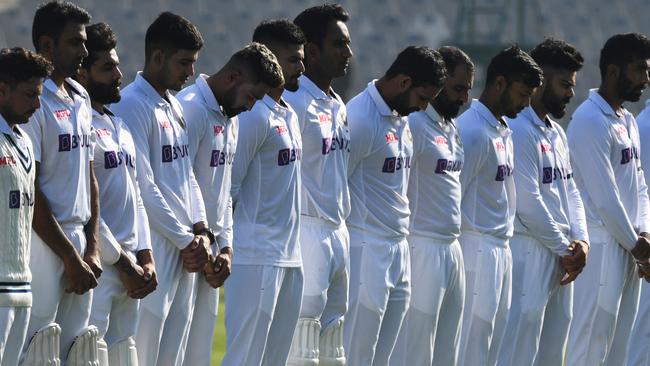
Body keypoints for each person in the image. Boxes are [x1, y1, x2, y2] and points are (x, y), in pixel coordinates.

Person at [111, 12, 211, 366]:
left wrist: (201, 230)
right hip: (157, 244)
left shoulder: (172, 104)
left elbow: (186, 177)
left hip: (184, 247)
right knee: (146, 350)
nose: (190, 73)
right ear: (157, 57)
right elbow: (144, 185)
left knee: (174, 355)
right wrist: (185, 241)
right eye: (184, 62)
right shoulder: (131, 103)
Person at [177, 42, 283, 366]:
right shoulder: (190, 108)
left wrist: (226, 248)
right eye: (251, 96)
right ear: (234, 76)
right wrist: (200, 237)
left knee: (197, 358)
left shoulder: (231, 118)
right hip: (179, 249)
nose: (251, 107)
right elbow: (178, 182)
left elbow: (224, 194)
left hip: (208, 255)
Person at [344, 45, 447, 365]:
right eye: (423, 99)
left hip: (398, 247)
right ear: (404, 83)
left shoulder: (401, 116)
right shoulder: (359, 117)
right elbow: (338, 183)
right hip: (366, 246)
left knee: (385, 357)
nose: (422, 108)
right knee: (356, 352)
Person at [20, 2, 104, 364]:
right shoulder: (31, 101)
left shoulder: (82, 96)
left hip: (79, 241)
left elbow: (89, 176)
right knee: (35, 349)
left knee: (76, 351)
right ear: (47, 45)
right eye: (75, 42)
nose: (84, 51)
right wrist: (68, 255)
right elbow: (30, 188)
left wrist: (93, 245)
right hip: (43, 243)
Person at [496, 38, 589, 366]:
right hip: (530, 249)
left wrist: (582, 241)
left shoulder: (556, 132)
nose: (570, 93)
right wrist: (567, 249)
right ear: (540, 81)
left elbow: (572, 191)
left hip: (562, 256)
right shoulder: (518, 130)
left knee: (552, 351)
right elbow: (528, 201)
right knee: (519, 347)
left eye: (573, 85)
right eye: (564, 84)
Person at [221, 19, 304, 366]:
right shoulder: (254, 116)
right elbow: (232, 188)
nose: (301, 67)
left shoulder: (289, 114)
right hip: (256, 255)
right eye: (292, 60)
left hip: (289, 254)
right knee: (245, 358)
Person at [75, 22, 157, 366]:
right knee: (88, 357)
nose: (119, 73)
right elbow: (86, 205)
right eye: (107, 67)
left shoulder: (118, 125)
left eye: (117, 64)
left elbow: (136, 196)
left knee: (126, 355)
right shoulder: (80, 126)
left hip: (132, 269)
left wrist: (146, 254)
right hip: (102, 267)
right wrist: (121, 261)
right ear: (82, 71)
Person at [566, 33, 650, 366]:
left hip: (629, 247)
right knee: (590, 347)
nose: (646, 79)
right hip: (603, 245)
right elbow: (605, 199)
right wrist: (639, 246)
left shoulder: (626, 120)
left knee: (619, 349)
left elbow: (640, 186)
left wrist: (644, 234)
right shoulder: (588, 120)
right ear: (613, 71)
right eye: (640, 70)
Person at [456, 45, 542, 366]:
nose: (526, 103)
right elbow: (456, 196)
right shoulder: (473, 131)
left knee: (493, 343)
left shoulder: (502, 128)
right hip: (476, 247)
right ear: (500, 83)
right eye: (522, 93)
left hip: (500, 248)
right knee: (471, 342)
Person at [390, 45, 474, 366]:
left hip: (452, 247)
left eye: (467, 90)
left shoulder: (450, 126)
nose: (463, 98)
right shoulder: (414, 124)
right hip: (421, 245)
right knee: (415, 349)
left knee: (446, 352)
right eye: (456, 89)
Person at [284, 4, 352, 365]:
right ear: (311, 50)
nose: (348, 53)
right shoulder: (292, 102)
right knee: (303, 339)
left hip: (338, 228)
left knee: (334, 342)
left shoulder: (337, 103)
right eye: (338, 44)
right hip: (307, 228)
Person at [0, 47, 51, 366]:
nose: (37, 104)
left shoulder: (24, 141)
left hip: (21, 282)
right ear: (2, 89)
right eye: (30, 94)